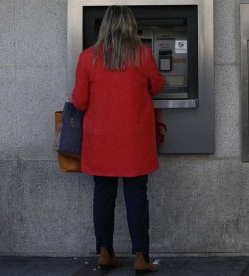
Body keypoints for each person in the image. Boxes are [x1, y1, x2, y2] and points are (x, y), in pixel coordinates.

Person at [71, 5, 165, 274]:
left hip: (101, 142)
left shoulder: (88, 58)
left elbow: (79, 101)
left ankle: (104, 253)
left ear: (104, 27)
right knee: (137, 196)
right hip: (134, 141)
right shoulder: (143, 55)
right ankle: (141, 258)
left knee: (103, 196)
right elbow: (157, 86)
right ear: (131, 27)